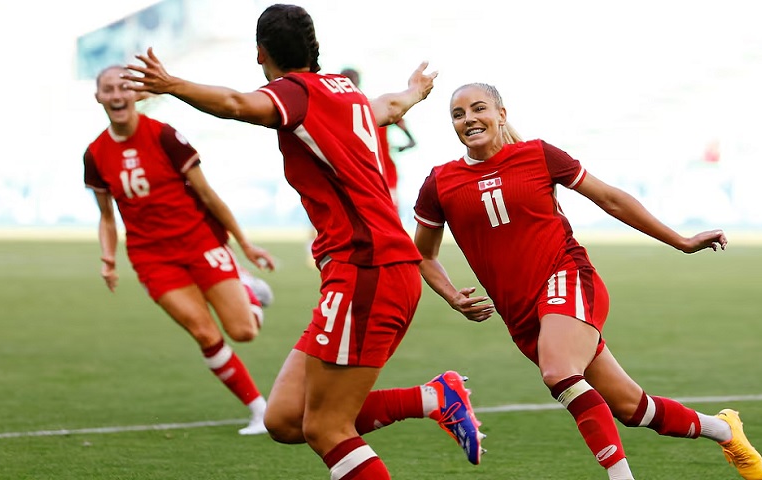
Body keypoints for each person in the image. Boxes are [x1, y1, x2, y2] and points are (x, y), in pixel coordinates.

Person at [122, 4, 483, 478]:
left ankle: (436, 398)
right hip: (358, 273)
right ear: (315, 49)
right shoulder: (345, 91)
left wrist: (172, 85)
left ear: (260, 54)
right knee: (286, 418)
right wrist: (414, 92)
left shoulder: (294, 95)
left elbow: (234, 104)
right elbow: (388, 107)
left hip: (367, 271)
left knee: (327, 430)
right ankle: (435, 397)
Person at [412, 82, 762, 480]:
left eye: (478, 109)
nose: (469, 119)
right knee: (633, 408)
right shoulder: (440, 183)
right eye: (458, 115)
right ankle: (724, 430)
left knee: (558, 372)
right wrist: (450, 295)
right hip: (521, 312)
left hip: (567, 278)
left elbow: (609, 198)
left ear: (501, 114)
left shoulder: (539, 155)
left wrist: (680, 241)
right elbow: (423, 254)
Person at [84, 65, 277, 436]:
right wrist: (108, 258)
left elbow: (207, 194)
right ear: (98, 97)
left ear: (137, 93)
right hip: (152, 259)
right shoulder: (95, 155)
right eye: (108, 89)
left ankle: (247, 289)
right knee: (205, 334)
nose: (117, 95)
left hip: (200, 241)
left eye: (124, 87)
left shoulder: (165, 136)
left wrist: (244, 243)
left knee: (244, 332)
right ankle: (259, 410)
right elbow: (107, 217)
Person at [340, 67, 417, 210]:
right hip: (362, 174)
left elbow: (412, 141)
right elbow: (412, 142)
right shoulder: (376, 107)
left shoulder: (371, 108)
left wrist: (394, 148)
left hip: (380, 172)